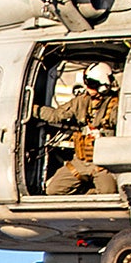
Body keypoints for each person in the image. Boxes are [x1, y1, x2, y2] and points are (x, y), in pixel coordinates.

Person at [37, 61, 119, 195]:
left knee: (109, 194)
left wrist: (104, 137)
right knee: (53, 190)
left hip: (103, 164)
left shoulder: (116, 106)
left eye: (91, 84)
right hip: (80, 162)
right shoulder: (82, 101)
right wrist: (34, 110)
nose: (87, 88)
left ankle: (91, 194)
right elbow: (56, 115)